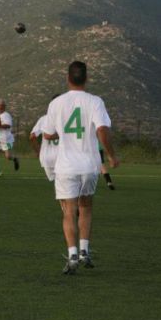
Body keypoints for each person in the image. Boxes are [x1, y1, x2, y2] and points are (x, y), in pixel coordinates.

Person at [43, 61, 119, 274]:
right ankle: (85, 250)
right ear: (86, 78)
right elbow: (102, 129)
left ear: (67, 78)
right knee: (86, 207)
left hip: (66, 166)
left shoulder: (56, 103)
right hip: (89, 165)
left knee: (69, 210)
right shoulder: (95, 101)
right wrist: (112, 155)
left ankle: (72, 254)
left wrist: (60, 131)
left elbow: (48, 134)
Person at [30, 94, 60, 182]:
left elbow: (32, 137)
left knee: (56, 186)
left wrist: (38, 151)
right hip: (63, 157)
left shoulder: (44, 119)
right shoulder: (66, 118)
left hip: (47, 157)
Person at [0, 99, 20, 178]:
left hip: (6, 139)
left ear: (4, 107)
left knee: (8, 156)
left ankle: (15, 159)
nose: (0, 107)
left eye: (1, 106)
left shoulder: (6, 115)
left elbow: (8, 125)